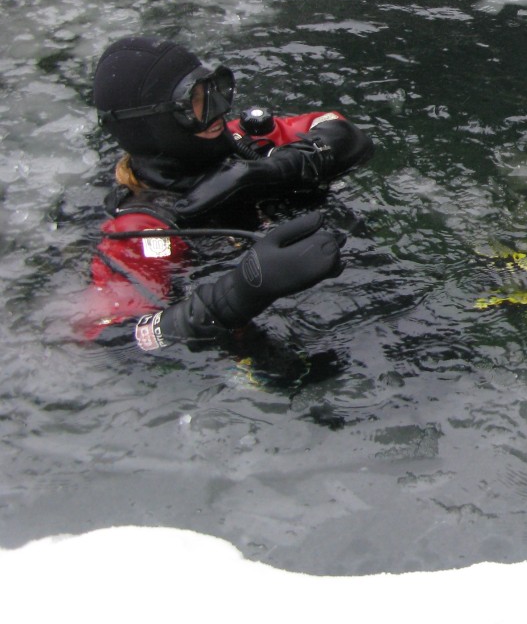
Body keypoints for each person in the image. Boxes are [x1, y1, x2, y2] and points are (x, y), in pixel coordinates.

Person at [83, 35, 374, 381]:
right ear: (151, 126)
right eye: (195, 102)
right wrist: (239, 292)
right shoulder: (142, 230)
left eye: (213, 89)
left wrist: (265, 169)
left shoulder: (240, 142)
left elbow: (344, 133)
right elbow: (116, 341)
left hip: (357, 295)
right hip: (270, 351)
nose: (218, 108)